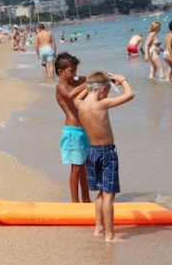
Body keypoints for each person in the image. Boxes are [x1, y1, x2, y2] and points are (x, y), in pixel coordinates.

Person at [75, 71, 134, 242]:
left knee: (100, 193)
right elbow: (130, 94)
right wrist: (122, 80)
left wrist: (88, 87)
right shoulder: (103, 104)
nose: (106, 95)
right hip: (107, 152)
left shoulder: (80, 105)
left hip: (91, 152)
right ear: (102, 90)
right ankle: (110, 235)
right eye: (107, 91)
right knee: (109, 195)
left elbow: (78, 98)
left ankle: (98, 228)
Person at [54, 52, 90, 203]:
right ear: (60, 71)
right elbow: (71, 95)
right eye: (71, 71)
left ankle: (86, 199)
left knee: (84, 168)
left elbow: (90, 77)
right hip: (72, 132)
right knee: (76, 168)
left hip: (84, 130)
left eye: (76, 70)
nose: (75, 74)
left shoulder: (76, 82)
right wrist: (88, 84)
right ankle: (75, 203)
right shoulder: (61, 86)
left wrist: (100, 79)